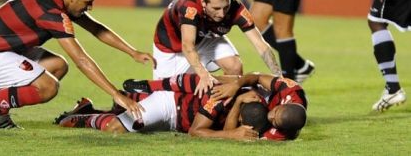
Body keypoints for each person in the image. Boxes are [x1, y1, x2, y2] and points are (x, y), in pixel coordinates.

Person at [0, 0, 155, 132]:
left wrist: (133, 52)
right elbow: (81, 60)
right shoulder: (51, 13)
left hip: (1, 49)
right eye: (87, 2)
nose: (89, 8)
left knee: (58, 66)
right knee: (48, 87)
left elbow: (96, 28)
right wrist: (116, 94)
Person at [56, 72, 307, 141]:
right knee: (115, 128)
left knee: (128, 119)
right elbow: (197, 131)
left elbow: (235, 127)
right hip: (170, 106)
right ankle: (83, 116)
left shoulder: (256, 109)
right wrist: (232, 133)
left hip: (179, 120)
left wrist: (235, 132)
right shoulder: (223, 96)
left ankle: (119, 102)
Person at [151, 0, 282, 97]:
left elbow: (260, 44)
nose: (222, 14)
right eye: (216, 8)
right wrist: (204, 75)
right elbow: (187, 45)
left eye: (225, 7)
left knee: (234, 66)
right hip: (172, 48)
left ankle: (224, 110)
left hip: (205, 37)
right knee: (166, 95)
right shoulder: (190, 7)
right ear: (203, 2)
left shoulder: (237, 9)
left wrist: (279, 78)